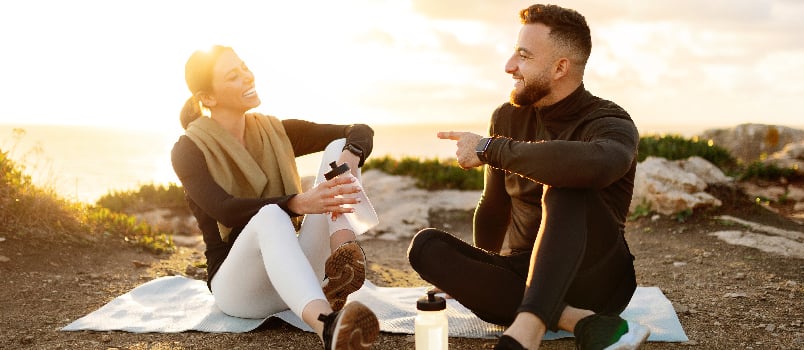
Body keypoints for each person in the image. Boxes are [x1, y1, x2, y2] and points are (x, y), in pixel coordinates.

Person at [407, 4, 650, 350]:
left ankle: (527, 333)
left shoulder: (610, 122)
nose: (509, 66)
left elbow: (599, 164)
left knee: (566, 183)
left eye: (523, 56)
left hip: (598, 279)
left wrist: (491, 149)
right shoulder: (506, 118)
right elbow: (493, 206)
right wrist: (481, 271)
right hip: (523, 272)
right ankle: (577, 320)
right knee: (425, 247)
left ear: (560, 68)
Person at [171, 45, 379, 350]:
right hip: (240, 290)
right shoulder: (188, 149)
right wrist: (299, 202)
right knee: (270, 215)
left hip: (294, 274)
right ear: (208, 98)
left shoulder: (276, 131)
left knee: (338, 145)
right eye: (233, 76)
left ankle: (344, 254)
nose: (247, 76)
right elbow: (225, 210)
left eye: (244, 67)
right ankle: (328, 327)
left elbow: (359, 130)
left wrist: (350, 157)